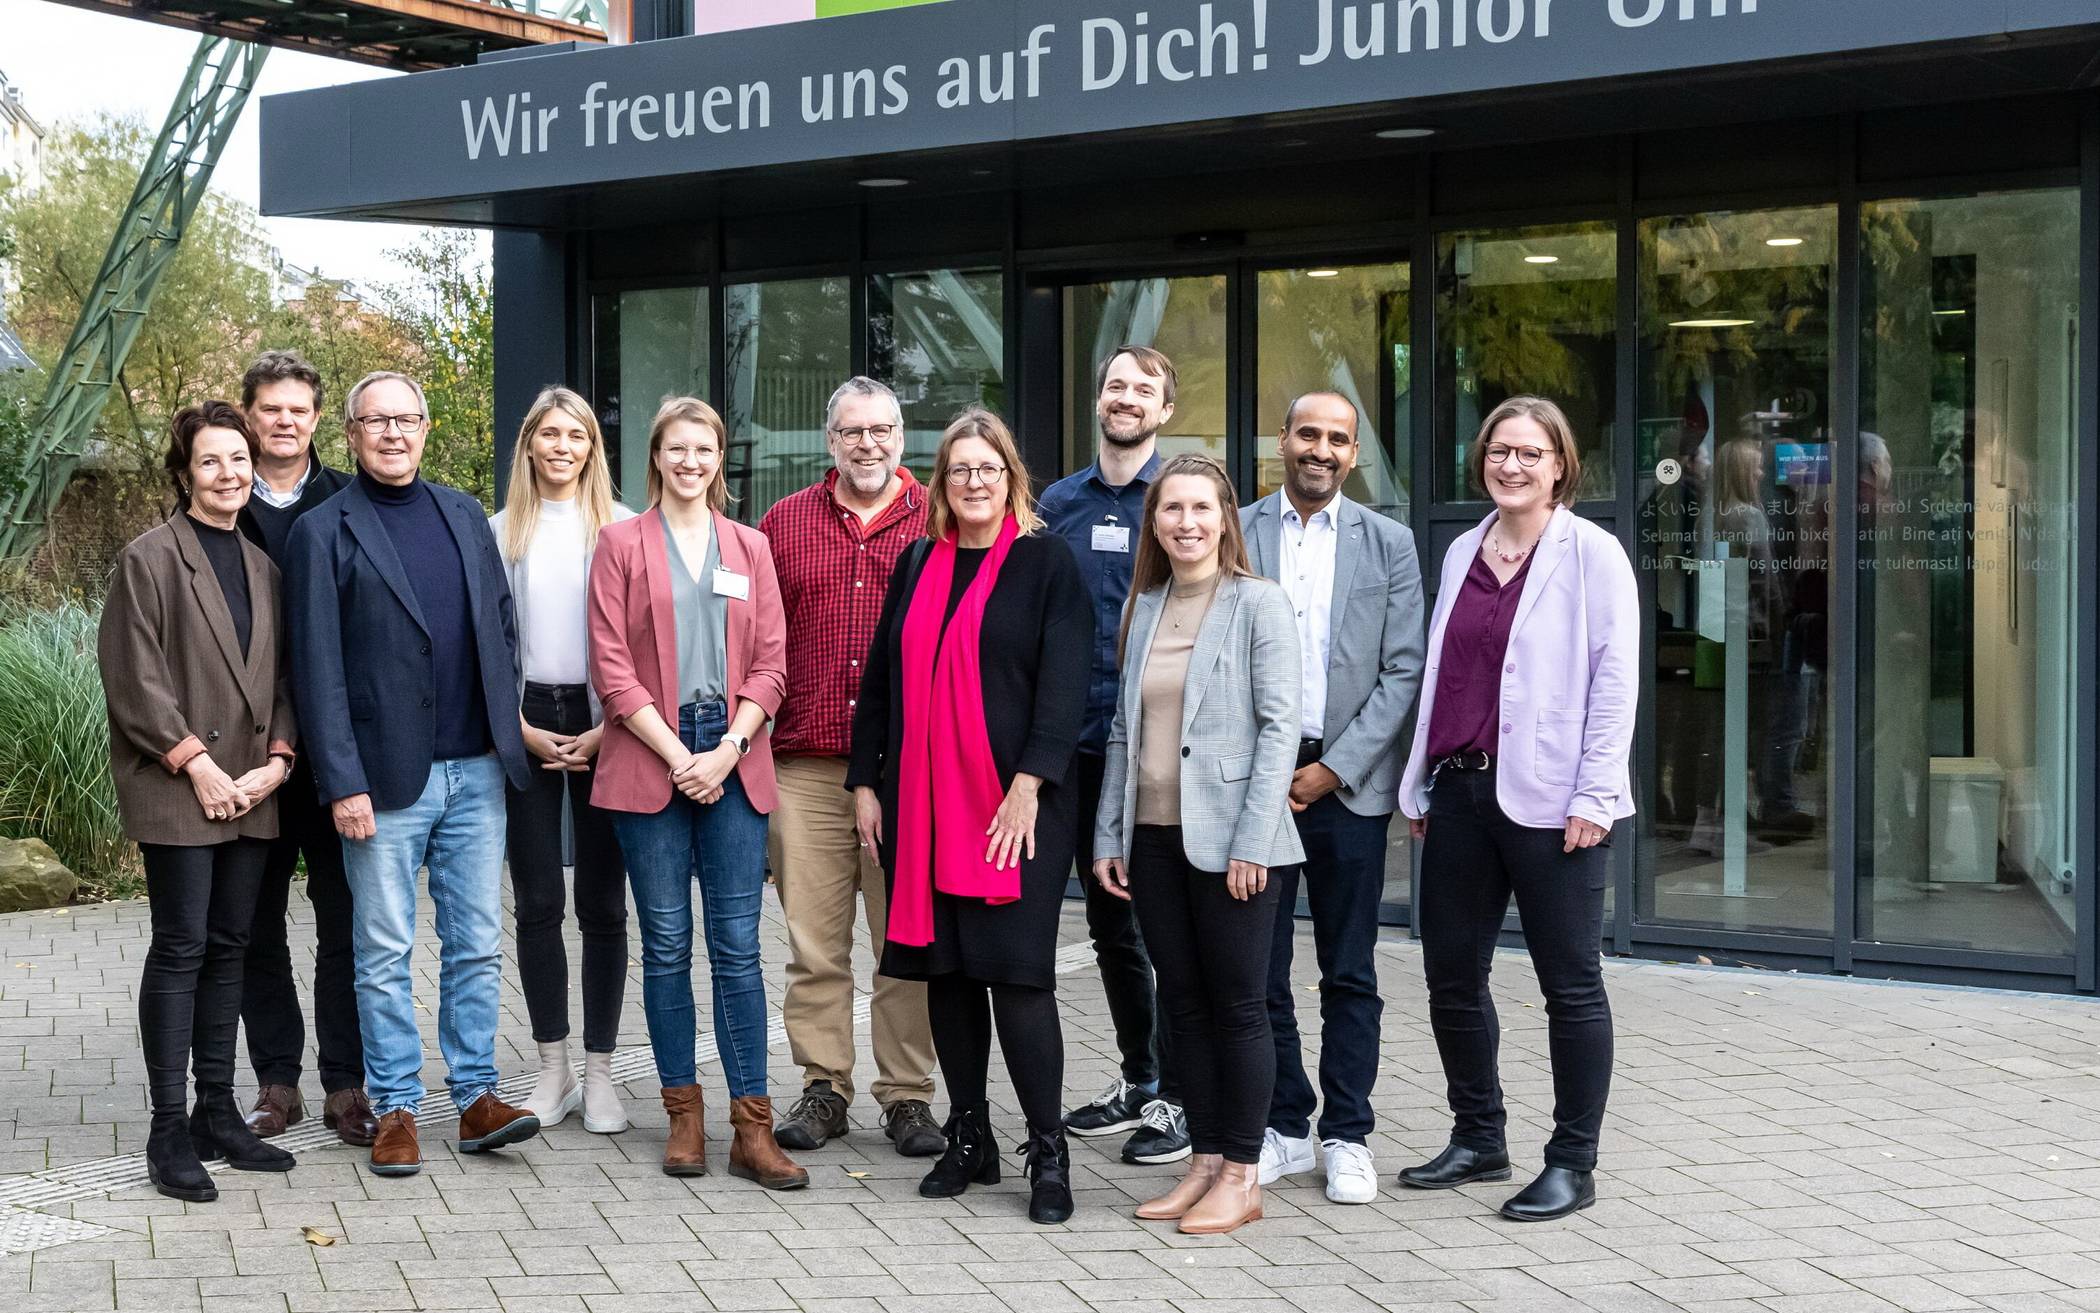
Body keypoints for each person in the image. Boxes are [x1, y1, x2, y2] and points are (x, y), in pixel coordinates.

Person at [286, 370, 541, 1178]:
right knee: (384, 949)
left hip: (477, 770)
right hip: (382, 780)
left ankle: (476, 1096)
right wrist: (341, 780)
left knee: (476, 943)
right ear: (351, 433)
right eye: (376, 420)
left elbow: (500, 626)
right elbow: (315, 668)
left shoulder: (463, 514)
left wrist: (506, 726)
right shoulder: (322, 531)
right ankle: (396, 1106)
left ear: (426, 429)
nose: (393, 433)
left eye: (406, 419)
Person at [1395, 395, 1637, 1223]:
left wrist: (1596, 794)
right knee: (1451, 975)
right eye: (1500, 450)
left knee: (1570, 984)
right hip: (1461, 790)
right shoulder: (1464, 549)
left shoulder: (1592, 554)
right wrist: (1419, 777)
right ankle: (1478, 1135)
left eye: (1532, 453)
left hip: (1555, 803)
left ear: (1561, 466)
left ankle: (1572, 1161)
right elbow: (1444, 672)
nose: (1513, 465)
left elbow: (1615, 680)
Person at [848, 408, 1093, 1225]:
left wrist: (1029, 784)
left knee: (1017, 976)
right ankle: (970, 1136)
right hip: (923, 802)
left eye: (989, 468)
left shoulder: (1046, 561)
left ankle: (1048, 1151)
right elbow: (883, 680)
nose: (975, 481)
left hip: (1015, 809)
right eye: (960, 469)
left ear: (1011, 477)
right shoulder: (918, 561)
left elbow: (1067, 683)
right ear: (942, 482)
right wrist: (865, 781)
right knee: (947, 972)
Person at [587, 396, 806, 1189]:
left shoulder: (751, 545)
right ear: (656, 456)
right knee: (668, 943)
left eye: (704, 448)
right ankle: (683, 1116)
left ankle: (752, 1126)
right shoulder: (619, 543)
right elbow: (611, 666)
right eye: (676, 448)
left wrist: (728, 750)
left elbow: (773, 664)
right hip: (654, 752)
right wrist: (683, 756)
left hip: (733, 754)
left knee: (739, 946)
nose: (690, 461)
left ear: (720, 458)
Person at [1093, 453, 1302, 1236]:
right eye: (1171, 509)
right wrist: (1110, 832)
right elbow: (1124, 730)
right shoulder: (1144, 606)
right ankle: (1205, 1161)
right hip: (1152, 838)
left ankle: (1243, 1173)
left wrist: (1253, 841)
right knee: (1182, 1005)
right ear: (1154, 523)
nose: (1186, 522)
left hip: (1237, 844)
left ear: (1225, 520)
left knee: (1238, 1005)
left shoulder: (1258, 603)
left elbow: (1280, 729)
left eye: (1201, 508)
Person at [99, 401, 300, 1202]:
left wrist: (278, 761)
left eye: (239, 459)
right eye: (211, 460)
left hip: (251, 786)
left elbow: (283, 678)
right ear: (184, 473)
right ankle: (167, 1129)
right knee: (182, 947)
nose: (229, 474)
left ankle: (218, 1110)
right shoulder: (148, 558)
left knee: (231, 945)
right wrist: (199, 764)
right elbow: (133, 678)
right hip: (180, 783)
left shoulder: (263, 566)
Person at [1241, 392, 1424, 1205]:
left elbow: (1403, 669)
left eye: (1337, 439)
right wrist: (1267, 770)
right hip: (1258, 784)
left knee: (1348, 969)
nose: (1320, 449)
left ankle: (1347, 1131)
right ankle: (1284, 1123)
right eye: (1307, 433)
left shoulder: (1389, 544)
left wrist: (1335, 768)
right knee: (1262, 967)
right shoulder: (1237, 529)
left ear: (1355, 454)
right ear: (1282, 440)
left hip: (1347, 789)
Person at [758, 378, 943, 1159]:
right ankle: (824, 1086)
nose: (868, 443)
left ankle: (907, 1094)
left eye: (881, 429)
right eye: (852, 431)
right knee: (814, 944)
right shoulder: (783, 522)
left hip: (909, 773)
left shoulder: (940, 516)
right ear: (829, 439)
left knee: (904, 942)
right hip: (804, 766)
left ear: (902, 435)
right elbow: (757, 638)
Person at [1038, 345, 1189, 1166]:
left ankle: (1182, 1096)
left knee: (1165, 928)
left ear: (1164, 409)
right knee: (1109, 929)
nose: (1126, 398)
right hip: (1072, 749)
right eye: (1116, 385)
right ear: (1098, 400)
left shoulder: (1181, 503)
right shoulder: (1057, 504)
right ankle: (1141, 1077)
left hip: (1153, 754)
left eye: (1143, 389)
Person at [231, 350, 371, 1147]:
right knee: (257, 921)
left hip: (335, 752)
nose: (284, 421)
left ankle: (347, 1082)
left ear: (318, 419)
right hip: (249, 754)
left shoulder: (349, 502)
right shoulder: (220, 499)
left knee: (344, 920)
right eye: (270, 408)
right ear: (249, 414)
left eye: (298, 409)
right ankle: (276, 1080)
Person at [489, 387, 636, 1133]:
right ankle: (554, 1070)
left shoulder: (625, 529)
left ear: (591, 448)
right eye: (548, 434)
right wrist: (515, 726)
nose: (562, 447)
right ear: (529, 444)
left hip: (611, 719)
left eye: (575, 435)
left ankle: (602, 1072)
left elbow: (645, 641)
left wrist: (613, 725)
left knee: (603, 903)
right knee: (540, 899)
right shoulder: (496, 533)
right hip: (526, 721)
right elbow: (483, 646)